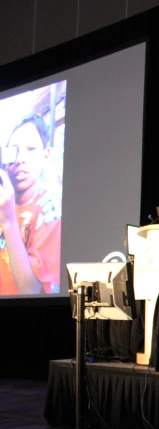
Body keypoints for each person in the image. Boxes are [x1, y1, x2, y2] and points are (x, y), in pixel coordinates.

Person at [0, 114, 61, 295]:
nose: (20, 159)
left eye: (31, 148)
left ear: (45, 156)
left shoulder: (49, 209)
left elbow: (31, 290)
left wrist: (9, 220)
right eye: (13, 151)